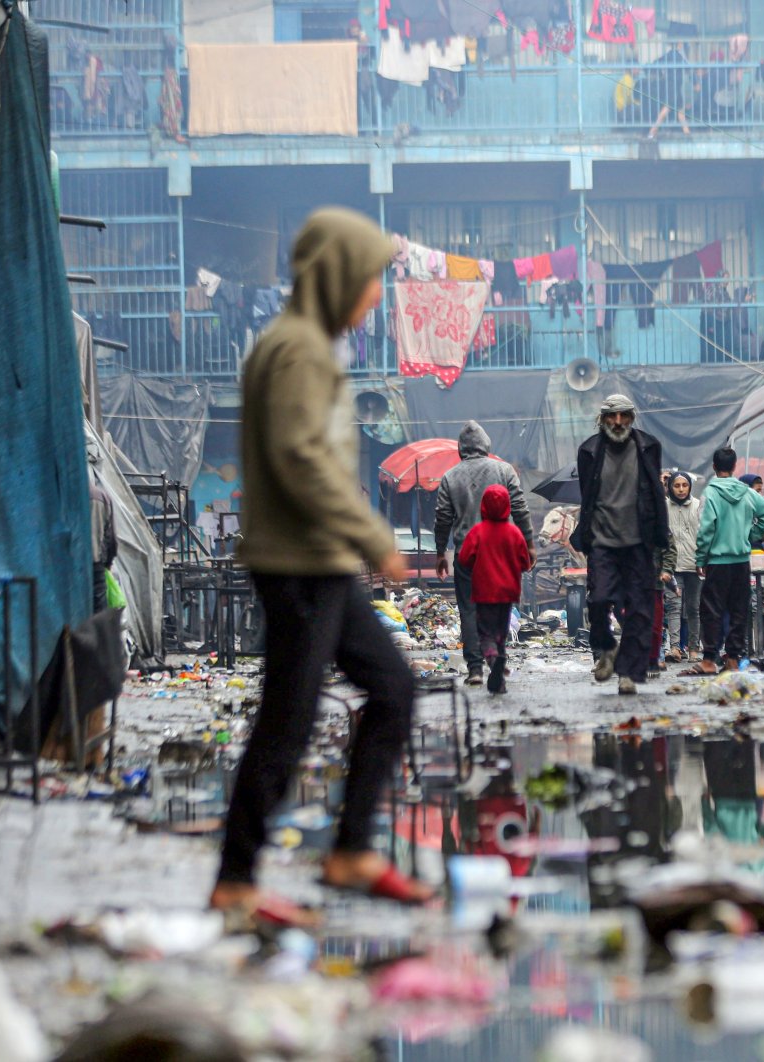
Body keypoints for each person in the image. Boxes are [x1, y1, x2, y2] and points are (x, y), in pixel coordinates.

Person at [213, 207, 430, 926]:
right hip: (301, 564)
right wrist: (374, 535)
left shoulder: (305, 344)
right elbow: (301, 456)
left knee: (392, 689)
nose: (375, 295)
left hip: (319, 561)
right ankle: (238, 878)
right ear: (337, 275)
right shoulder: (299, 349)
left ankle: (350, 850)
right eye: (370, 278)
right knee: (290, 719)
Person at [570, 394, 671, 696]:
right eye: (611, 417)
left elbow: (654, 492)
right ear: (601, 420)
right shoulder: (588, 451)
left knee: (639, 610)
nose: (617, 423)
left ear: (632, 417)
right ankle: (606, 647)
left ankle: (628, 672)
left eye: (623, 416)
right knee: (599, 600)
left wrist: (659, 534)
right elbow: (587, 497)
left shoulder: (649, 446)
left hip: (638, 542)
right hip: (602, 542)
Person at [434, 421, 533, 686]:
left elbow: (442, 518)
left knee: (469, 609)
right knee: (500, 608)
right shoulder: (504, 470)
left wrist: (440, 552)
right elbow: (520, 509)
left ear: (460, 449)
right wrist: (530, 543)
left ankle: (475, 669)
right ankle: (497, 656)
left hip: (468, 554)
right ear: (486, 445)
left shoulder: (450, 477)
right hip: (502, 555)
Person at [686, 446, 764, 674]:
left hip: (717, 562)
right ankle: (733, 660)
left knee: (712, 611)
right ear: (735, 466)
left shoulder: (711, 493)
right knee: (739, 610)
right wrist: (751, 535)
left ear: (714, 467)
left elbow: (706, 529)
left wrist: (701, 558)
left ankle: (709, 660)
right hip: (741, 561)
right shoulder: (747, 493)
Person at [457, 485, 533, 695]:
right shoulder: (514, 533)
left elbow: (464, 559)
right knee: (501, 632)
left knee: (486, 634)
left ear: (483, 505)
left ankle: (493, 660)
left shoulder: (477, 532)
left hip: (484, 591)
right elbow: (525, 563)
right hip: (508, 593)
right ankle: (498, 680)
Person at [663, 471, 703, 664]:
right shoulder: (663, 506)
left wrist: (703, 559)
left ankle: (694, 648)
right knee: (674, 607)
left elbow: (704, 533)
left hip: (694, 566)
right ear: (670, 487)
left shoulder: (698, 506)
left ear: (689, 487)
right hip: (672, 566)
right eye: (676, 485)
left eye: (684, 485)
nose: (680, 489)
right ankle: (675, 648)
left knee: (694, 608)